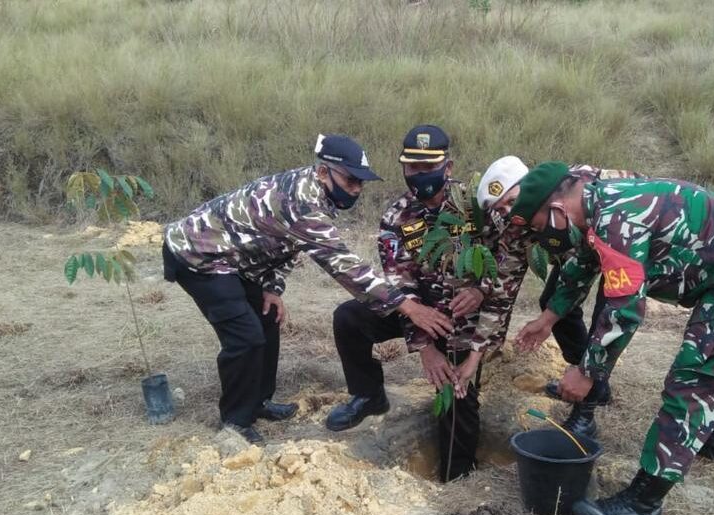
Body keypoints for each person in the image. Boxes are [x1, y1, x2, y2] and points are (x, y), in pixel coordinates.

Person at [511, 162, 714, 515]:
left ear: (556, 210)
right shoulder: (597, 206)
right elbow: (582, 266)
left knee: (701, 374)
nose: (542, 237)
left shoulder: (617, 221)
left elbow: (624, 310)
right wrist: (547, 319)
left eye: (538, 228)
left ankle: (643, 504)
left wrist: (588, 371)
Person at [162, 134, 451, 444]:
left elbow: (286, 243)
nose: (356, 189)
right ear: (324, 172)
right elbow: (343, 264)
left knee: (266, 317)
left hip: (236, 259)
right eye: (351, 181)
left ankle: (258, 401)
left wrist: (272, 288)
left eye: (361, 183)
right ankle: (235, 422)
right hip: (197, 254)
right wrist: (407, 306)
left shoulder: (317, 192)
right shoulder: (303, 202)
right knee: (245, 337)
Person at [325, 125, 511, 482]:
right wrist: (424, 346)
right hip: (420, 315)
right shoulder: (396, 217)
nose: (421, 176)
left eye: (430, 168)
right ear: (403, 168)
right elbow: (400, 283)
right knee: (349, 317)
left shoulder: (476, 206)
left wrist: (482, 289)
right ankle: (367, 396)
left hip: (463, 319)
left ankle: (457, 479)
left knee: (457, 396)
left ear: (449, 167)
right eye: (413, 168)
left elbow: (506, 258)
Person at [476, 158, 645, 437]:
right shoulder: (517, 221)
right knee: (552, 305)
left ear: (529, 186)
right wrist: (485, 346)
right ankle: (589, 378)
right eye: (501, 209)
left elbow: (640, 198)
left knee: (607, 317)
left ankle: (586, 406)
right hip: (582, 257)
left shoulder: (588, 184)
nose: (508, 212)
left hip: (622, 243)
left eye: (510, 201)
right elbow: (504, 283)